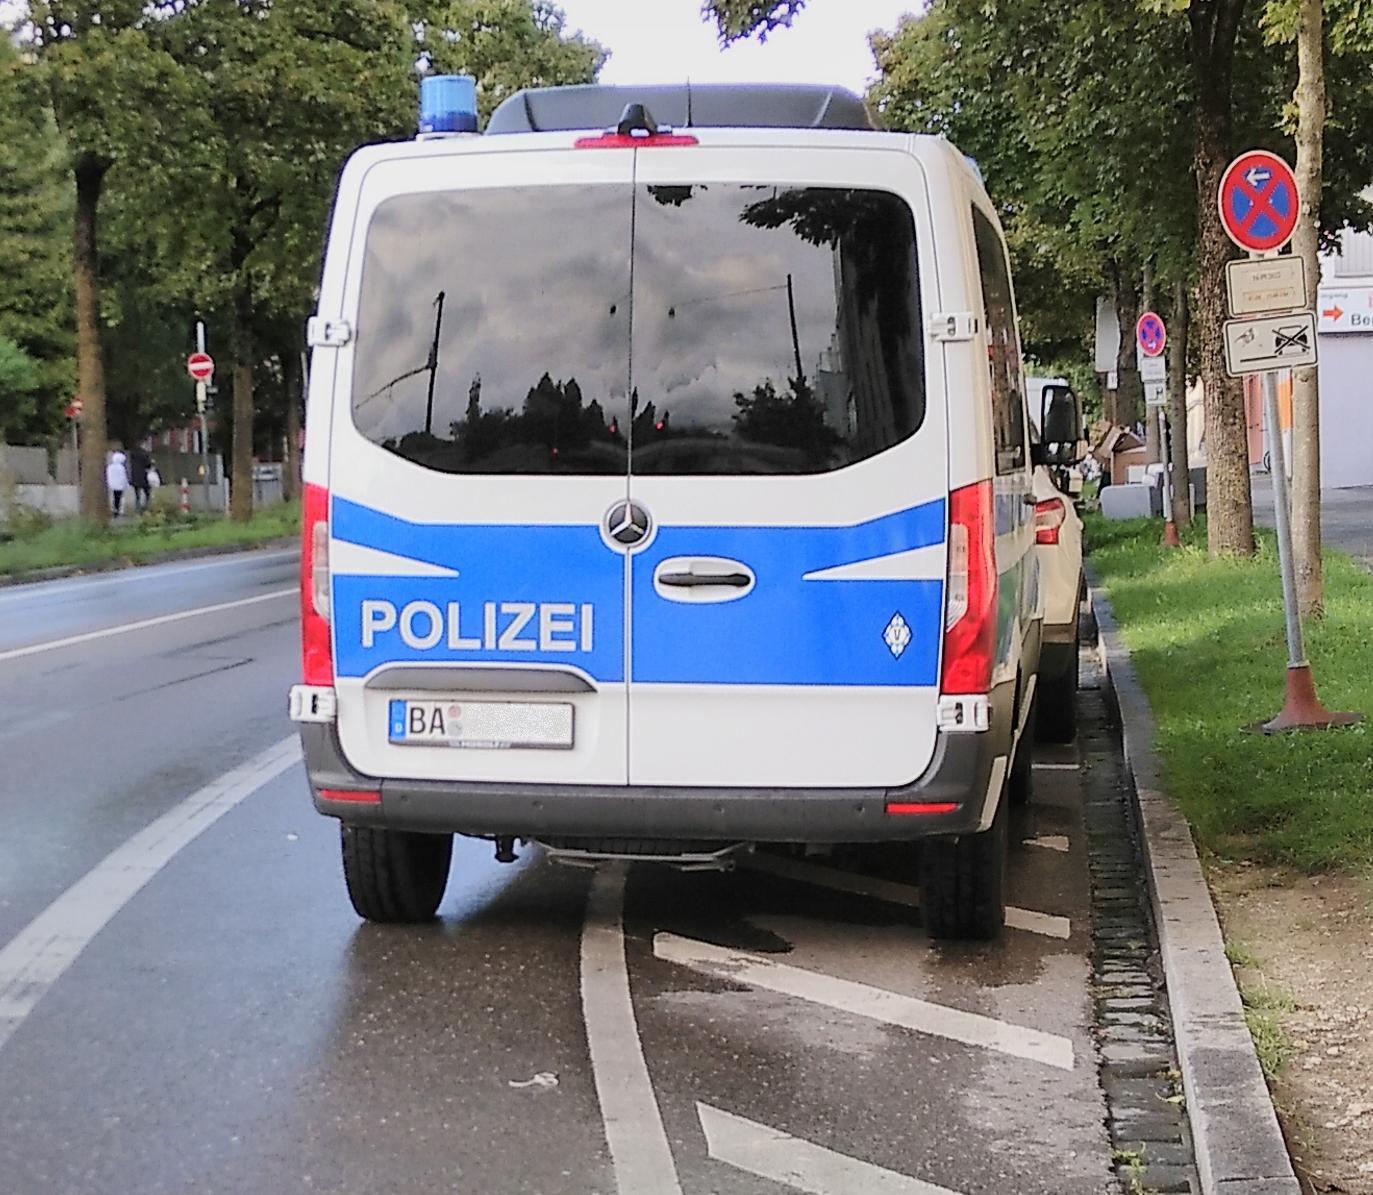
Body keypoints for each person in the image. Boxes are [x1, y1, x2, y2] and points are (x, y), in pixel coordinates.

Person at [128, 445, 153, 512]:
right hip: (143, 475)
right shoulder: (144, 454)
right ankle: (146, 506)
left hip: (135, 475)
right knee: (147, 492)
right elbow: (148, 464)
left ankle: (137, 506)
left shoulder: (132, 454)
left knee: (137, 493)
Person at [106, 449, 129, 517]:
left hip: (111, 485)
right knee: (119, 498)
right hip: (119, 486)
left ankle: (113, 510)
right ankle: (118, 510)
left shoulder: (110, 467)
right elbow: (123, 477)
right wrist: (126, 484)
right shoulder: (121, 468)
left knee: (112, 498)